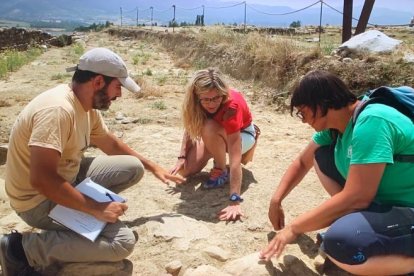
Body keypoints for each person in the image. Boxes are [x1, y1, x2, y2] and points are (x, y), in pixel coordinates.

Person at [0, 47, 184, 275]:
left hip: (65, 175)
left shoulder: (85, 106)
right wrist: (96, 208)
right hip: (36, 201)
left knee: (132, 167)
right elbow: (42, 179)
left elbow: (111, 144)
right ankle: (20, 249)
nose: (119, 95)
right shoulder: (58, 110)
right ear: (98, 81)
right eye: (118, 87)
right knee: (121, 244)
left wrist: (153, 166)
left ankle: (79, 228)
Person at [260, 70, 414, 275]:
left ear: (321, 104)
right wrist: (276, 200)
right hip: (385, 202)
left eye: (302, 112)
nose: (303, 120)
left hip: (408, 207)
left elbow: (358, 197)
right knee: (321, 156)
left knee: (341, 243)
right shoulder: (337, 127)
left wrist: (294, 228)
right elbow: (302, 162)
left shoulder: (372, 121)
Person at [170, 68, 256, 221]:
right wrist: (182, 156)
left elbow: (235, 158)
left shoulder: (231, 107)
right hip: (216, 133)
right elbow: (190, 127)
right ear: (197, 97)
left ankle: (221, 169)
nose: (211, 103)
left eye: (216, 98)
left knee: (208, 127)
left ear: (223, 93)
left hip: (244, 134)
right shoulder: (195, 103)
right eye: (206, 100)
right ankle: (215, 148)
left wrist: (234, 199)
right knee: (186, 170)